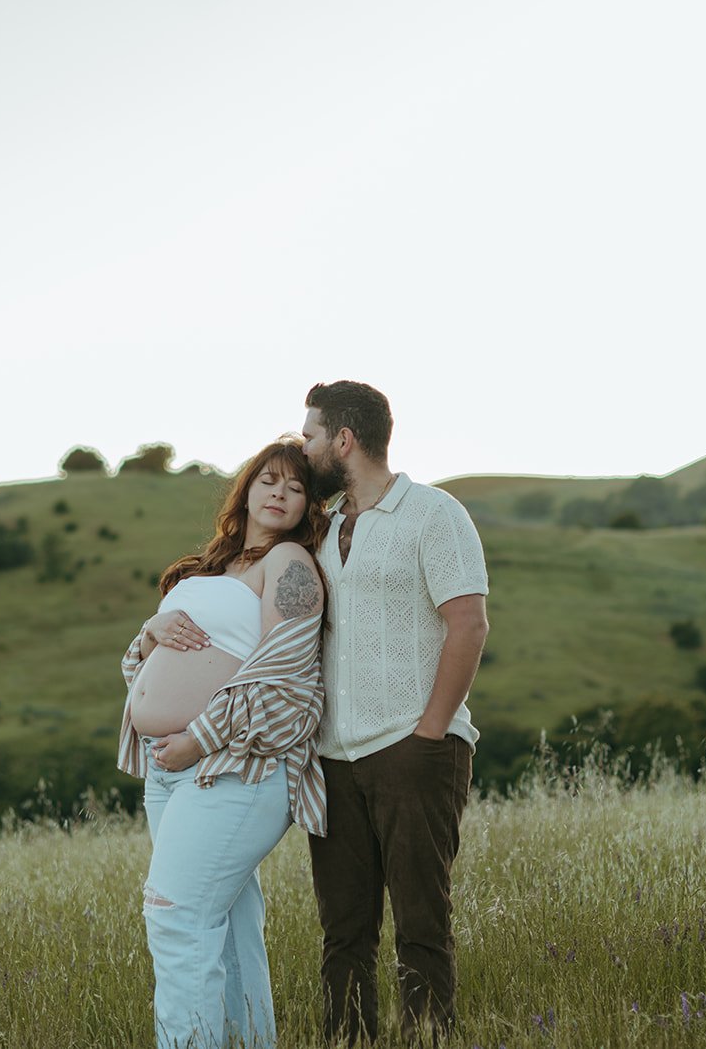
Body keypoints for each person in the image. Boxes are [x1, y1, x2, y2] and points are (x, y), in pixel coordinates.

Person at [116, 437, 330, 1049]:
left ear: (307, 505)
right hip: (171, 772)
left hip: (234, 767)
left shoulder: (289, 564)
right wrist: (152, 631)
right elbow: (149, 671)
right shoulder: (207, 569)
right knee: (226, 923)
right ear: (247, 488)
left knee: (176, 916)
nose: (280, 492)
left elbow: (288, 679)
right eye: (269, 479)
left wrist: (198, 739)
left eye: (296, 486)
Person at [298, 381, 490, 1044]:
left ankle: (430, 1039)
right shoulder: (317, 527)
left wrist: (428, 731)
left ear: (344, 441)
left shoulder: (434, 514)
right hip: (330, 761)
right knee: (343, 934)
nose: (305, 447)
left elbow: (467, 624)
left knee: (421, 926)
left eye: (311, 435)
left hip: (412, 749)